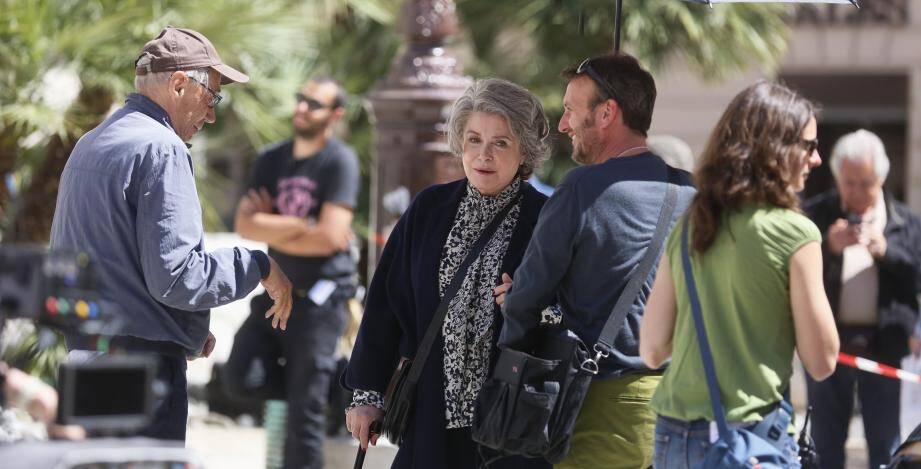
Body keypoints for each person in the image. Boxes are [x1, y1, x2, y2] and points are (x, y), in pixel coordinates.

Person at [49, 27, 293, 441]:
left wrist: (181, 328)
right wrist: (259, 266)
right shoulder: (162, 147)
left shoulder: (91, 143)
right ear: (180, 84)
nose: (211, 114)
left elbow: (108, 266)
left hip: (88, 359)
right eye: (211, 96)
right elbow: (178, 277)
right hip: (139, 376)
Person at [495, 53, 697, 469]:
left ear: (607, 113)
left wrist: (510, 373)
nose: (563, 124)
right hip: (683, 408)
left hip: (600, 407)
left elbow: (526, 298)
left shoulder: (582, 188)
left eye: (570, 109)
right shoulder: (692, 193)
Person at [343, 78, 553, 469]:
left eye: (500, 143)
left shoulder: (547, 219)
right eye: (473, 139)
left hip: (510, 425)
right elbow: (386, 304)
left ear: (525, 150)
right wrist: (367, 394)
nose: (483, 155)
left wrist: (533, 305)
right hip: (429, 418)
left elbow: (570, 314)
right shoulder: (430, 208)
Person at [639, 81, 840, 468]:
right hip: (748, 440)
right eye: (809, 146)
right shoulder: (795, 233)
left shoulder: (690, 225)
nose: (816, 159)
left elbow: (652, 349)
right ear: (777, 150)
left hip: (672, 436)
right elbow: (822, 360)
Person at [223, 76, 360, 469]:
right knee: (239, 377)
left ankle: (317, 384)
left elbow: (331, 238)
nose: (301, 107)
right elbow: (244, 225)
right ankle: (331, 382)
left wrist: (271, 222)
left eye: (313, 103)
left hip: (320, 299)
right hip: (275, 292)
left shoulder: (339, 161)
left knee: (304, 417)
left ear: (334, 115)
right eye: (300, 99)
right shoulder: (271, 159)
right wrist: (299, 226)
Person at [803, 129, 921, 469]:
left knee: (884, 443)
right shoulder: (816, 215)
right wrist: (827, 248)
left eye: (864, 182)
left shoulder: (904, 221)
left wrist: (886, 251)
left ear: (881, 178)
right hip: (828, 346)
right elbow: (794, 274)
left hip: (885, 346)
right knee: (825, 445)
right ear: (837, 177)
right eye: (848, 182)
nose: (855, 191)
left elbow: (915, 275)